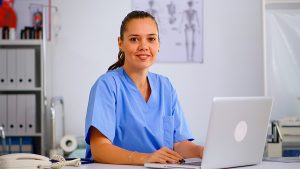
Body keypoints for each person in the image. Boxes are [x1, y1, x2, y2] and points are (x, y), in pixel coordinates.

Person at [85, 10, 204, 165]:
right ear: (121, 43)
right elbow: (99, 149)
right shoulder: (107, 85)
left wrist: (203, 151)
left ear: (158, 44)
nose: (144, 46)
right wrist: (146, 158)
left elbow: (179, 144)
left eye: (151, 39)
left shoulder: (165, 87)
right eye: (134, 39)